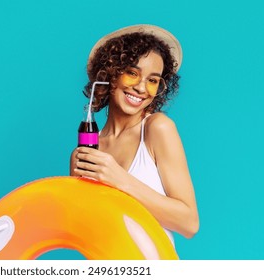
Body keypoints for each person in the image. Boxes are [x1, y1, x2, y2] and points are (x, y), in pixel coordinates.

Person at [70, 24, 199, 249]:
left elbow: (189, 223)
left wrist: (120, 179)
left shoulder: (157, 128)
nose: (141, 87)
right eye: (132, 73)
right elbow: (85, 231)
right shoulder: (87, 152)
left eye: (153, 80)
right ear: (110, 74)